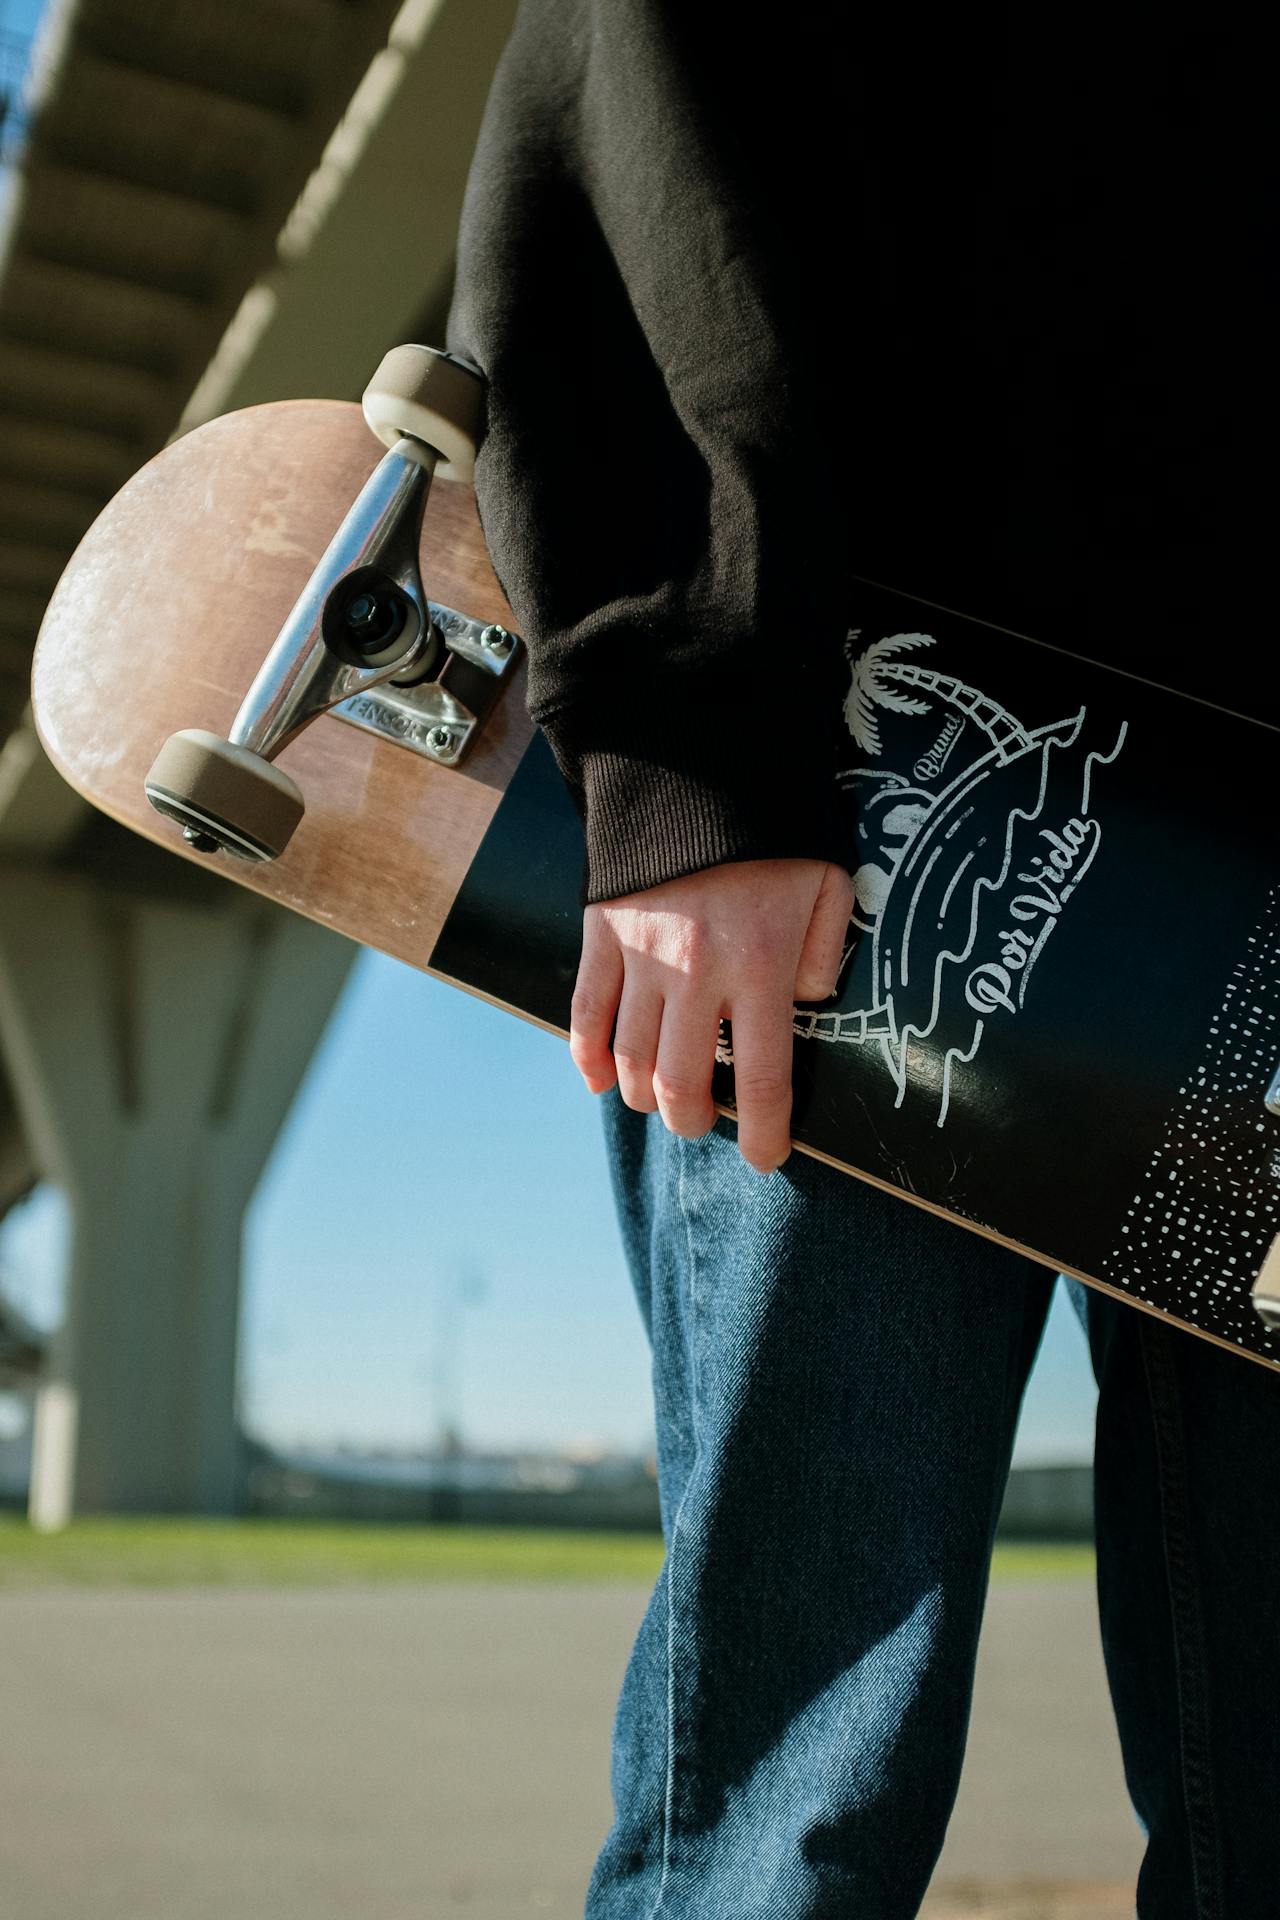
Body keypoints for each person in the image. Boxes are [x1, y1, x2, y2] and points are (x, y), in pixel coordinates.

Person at [447, 5, 1277, 1914]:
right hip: (864, 829)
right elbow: (636, 83)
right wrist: (695, 749)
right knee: (792, 1817)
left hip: (1256, 903)